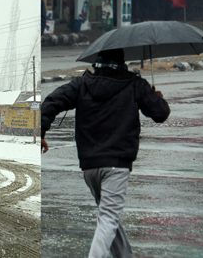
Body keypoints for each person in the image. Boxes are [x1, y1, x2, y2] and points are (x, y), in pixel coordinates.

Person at [41, 48, 171, 258]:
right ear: (122, 62)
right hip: (116, 166)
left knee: (109, 216)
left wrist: (40, 131)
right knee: (109, 218)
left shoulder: (81, 84)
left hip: (89, 167)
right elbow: (161, 114)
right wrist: (156, 97)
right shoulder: (134, 84)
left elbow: (51, 102)